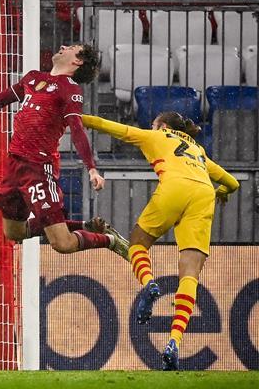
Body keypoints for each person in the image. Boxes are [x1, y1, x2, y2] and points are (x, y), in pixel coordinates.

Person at [81, 111, 239, 370]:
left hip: (175, 187)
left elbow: (111, 126)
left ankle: (149, 284)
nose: (150, 127)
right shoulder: (197, 149)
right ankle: (174, 343)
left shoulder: (157, 136)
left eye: (153, 124)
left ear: (162, 126)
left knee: (138, 243)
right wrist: (221, 191)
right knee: (190, 271)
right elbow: (232, 182)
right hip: (203, 194)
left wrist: (76, 117)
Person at [0, 44, 130, 259]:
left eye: (70, 48)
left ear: (77, 61)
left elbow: (77, 129)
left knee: (62, 243)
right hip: (14, 164)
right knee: (13, 232)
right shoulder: (32, 78)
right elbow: (0, 100)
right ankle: (85, 225)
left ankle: (109, 240)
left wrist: (92, 168)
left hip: (38, 168)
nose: (62, 46)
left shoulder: (69, 89)